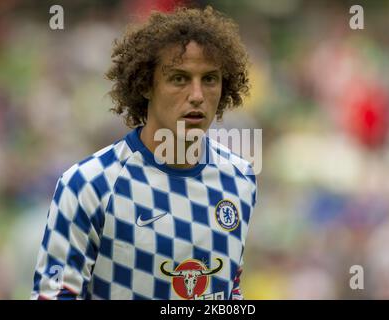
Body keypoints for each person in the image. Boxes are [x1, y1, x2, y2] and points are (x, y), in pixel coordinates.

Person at [31, 6, 257, 300]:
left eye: (210, 79)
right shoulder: (88, 185)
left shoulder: (240, 178)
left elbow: (229, 289)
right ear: (146, 85)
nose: (198, 95)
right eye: (179, 78)